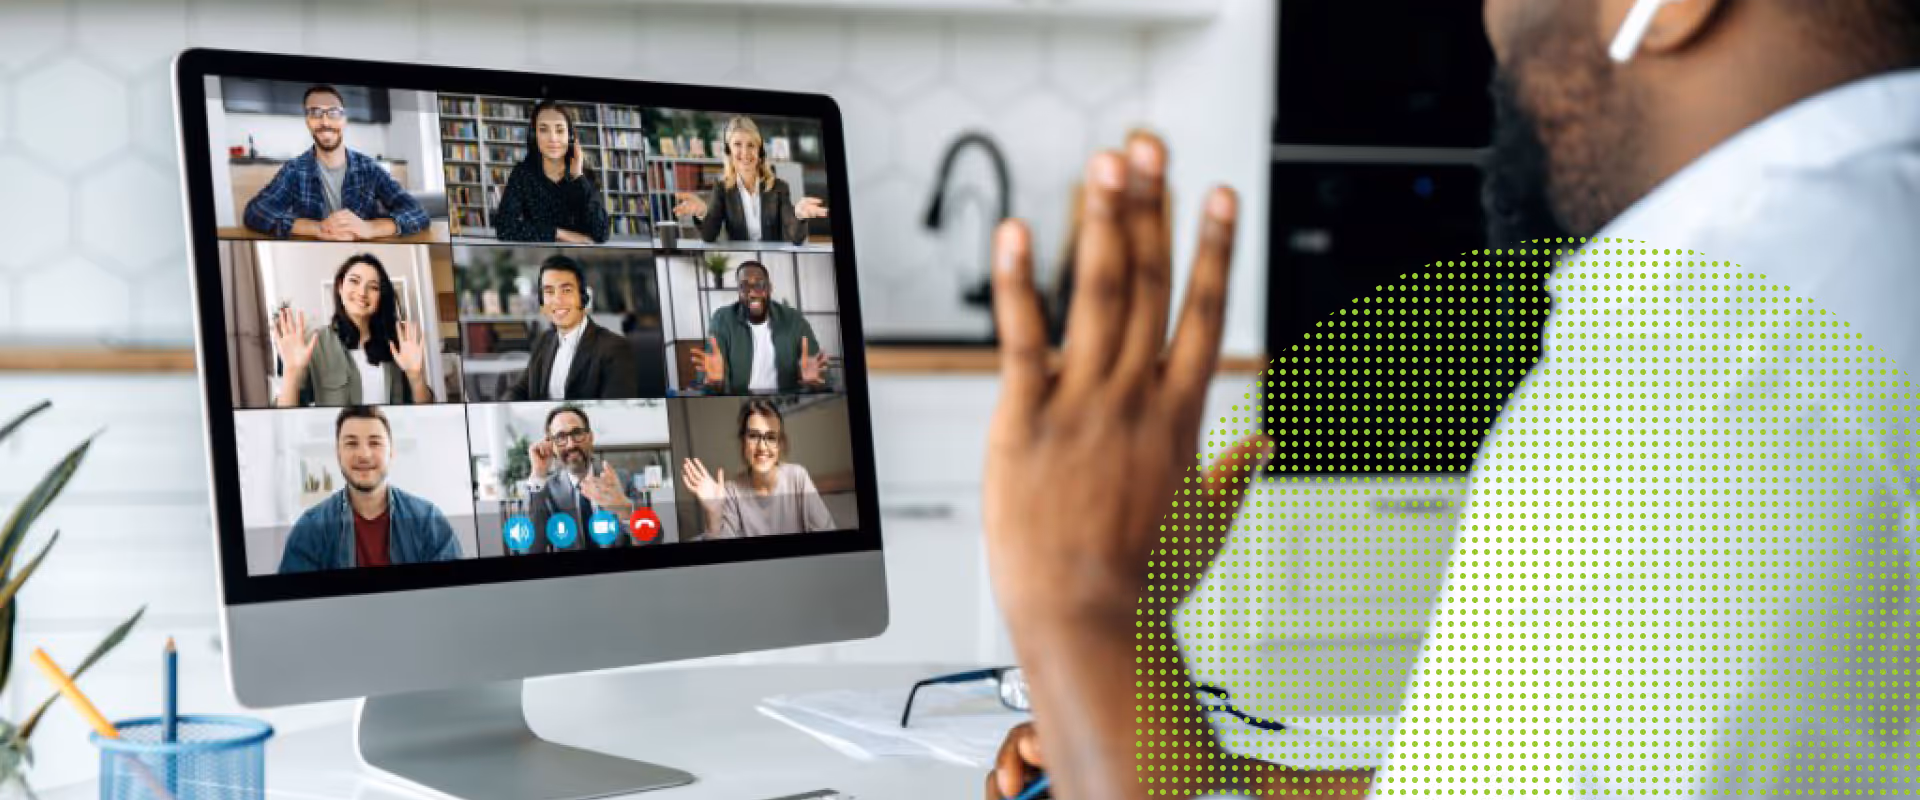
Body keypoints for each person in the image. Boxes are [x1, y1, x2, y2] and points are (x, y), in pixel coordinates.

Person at [981, 0, 1920, 790]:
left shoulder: (1703, 368)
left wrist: (1088, 606)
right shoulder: (1864, 256)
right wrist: (1165, 732)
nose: (1492, 26)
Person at [279, 406, 464, 573]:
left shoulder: (428, 521)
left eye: (374, 443)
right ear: (338, 454)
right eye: (351, 443)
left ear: (391, 453)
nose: (364, 455)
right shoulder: (310, 529)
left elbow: (453, 596)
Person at [243, 84, 431, 241]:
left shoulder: (369, 168)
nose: (324, 121)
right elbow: (255, 212)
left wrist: (370, 228)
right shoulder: (294, 170)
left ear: (344, 120)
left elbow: (418, 212)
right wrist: (317, 228)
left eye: (333, 112)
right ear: (307, 121)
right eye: (315, 113)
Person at [271, 252, 434, 407]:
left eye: (373, 287)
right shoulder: (317, 345)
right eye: (354, 281)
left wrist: (416, 377)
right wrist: (291, 373)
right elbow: (286, 416)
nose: (362, 292)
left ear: (380, 298)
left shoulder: (397, 346)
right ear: (340, 287)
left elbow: (425, 411)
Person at [680, 399, 834, 539]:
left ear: (780, 444)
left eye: (771, 437)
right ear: (743, 442)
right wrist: (713, 514)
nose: (762, 447)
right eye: (753, 436)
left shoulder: (798, 477)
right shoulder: (731, 492)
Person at [501, 255, 642, 401]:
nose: (557, 300)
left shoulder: (614, 348)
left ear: (582, 297)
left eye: (566, 290)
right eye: (549, 292)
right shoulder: (544, 340)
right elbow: (521, 388)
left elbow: (618, 411)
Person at [670, 116, 828, 245]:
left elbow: (796, 237)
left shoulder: (779, 187)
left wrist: (799, 215)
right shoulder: (722, 188)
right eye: (737, 144)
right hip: (741, 261)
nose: (745, 153)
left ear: (759, 152)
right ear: (728, 151)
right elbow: (710, 235)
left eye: (751, 145)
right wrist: (701, 212)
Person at [691, 261, 830, 394]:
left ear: (769, 288)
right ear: (738, 290)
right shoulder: (722, 319)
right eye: (745, 286)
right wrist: (718, 383)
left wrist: (813, 383)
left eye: (759, 285)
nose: (752, 293)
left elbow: (821, 375)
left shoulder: (794, 320)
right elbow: (710, 375)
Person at [516, 405, 641, 554]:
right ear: (552, 446)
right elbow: (529, 550)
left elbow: (654, 539)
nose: (571, 444)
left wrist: (627, 512)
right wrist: (537, 475)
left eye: (577, 433)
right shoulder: (544, 490)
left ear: (590, 437)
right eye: (561, 437)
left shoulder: (621, 480)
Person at [492, 99, 611, 244]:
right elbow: (504, 228)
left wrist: (578, 176)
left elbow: (601, 233)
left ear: (570, 136)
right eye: (543, 129)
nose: (553, 138)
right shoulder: (522, 173)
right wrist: (559, 233)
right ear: (534, 136)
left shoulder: (584, 175)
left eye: (560, 130)